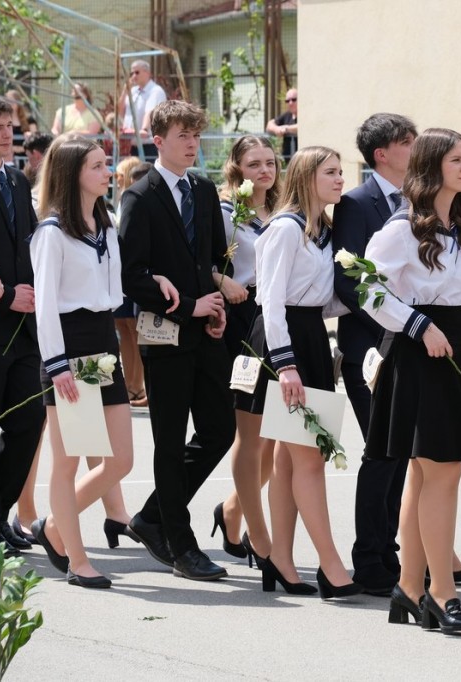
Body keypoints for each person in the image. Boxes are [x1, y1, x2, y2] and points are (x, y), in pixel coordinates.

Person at [365, 128, 461, 632]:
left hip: (453, 344)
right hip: (419, 351)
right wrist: (418, 325)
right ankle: (441, 592)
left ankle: (410, 588)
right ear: (432, 165)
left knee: (426, 474)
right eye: (457, 159)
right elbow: (366, 288)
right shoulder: (401, 228)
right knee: (442, 473)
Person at [28, 138, 176, 588]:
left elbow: (118, 286)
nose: (106, 172)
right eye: (96, 166)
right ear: (72, 173)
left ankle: (54, 527)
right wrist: (57, 365)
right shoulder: (52, 232)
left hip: (103, 342)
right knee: (68, 460)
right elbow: (45, 307)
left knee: (121, 460)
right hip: (68, 348)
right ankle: (77, 560)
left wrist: (157, 279)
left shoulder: (105, 225)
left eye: (104, 164)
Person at [119, 100, 235, 581]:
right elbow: (131, 276)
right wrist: (190, 306)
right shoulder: (139, 197)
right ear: (158, 140)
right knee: (168, 442)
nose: (192, 144)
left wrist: (217, 308)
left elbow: (211, 262)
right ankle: (181, 545)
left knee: (220, 430)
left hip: (206, 334)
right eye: (183, 135)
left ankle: (152, 516)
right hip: (164, 337)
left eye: (196, 135)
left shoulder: (204, 191)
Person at [252, 145, 361, 600]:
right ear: (306, 177)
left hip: (313, 335)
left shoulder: (323, 232)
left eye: (340, 172)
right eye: (330, 172)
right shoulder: (285, 229)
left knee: (288, 457)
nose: (340, 180)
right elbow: (271, 299)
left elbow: (322, 299)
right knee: (311, 457)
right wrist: (285, 364)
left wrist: (368, 293)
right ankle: (331, 567)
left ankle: (280, 558)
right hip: (287, 342)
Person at [332, 112, 417, 594]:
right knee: (380, 453)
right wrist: (395, 323)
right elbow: (349, 281)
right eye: (408, 142)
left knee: (401, 453)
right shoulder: (355, 203)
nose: (416, 148)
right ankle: (368, 559)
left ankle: (390, 550)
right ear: (382, 154)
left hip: (407, 342)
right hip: (369, 346)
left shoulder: (417, 199)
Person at [210, 135, 282, 567]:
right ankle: (258, 530)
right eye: (254, 163)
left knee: (276, 436)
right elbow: (200, 261)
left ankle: (232, 509)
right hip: (241, 316)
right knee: (251, 431)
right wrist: (222, 281)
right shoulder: (223, 212)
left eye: (270, 162)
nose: (264, 170)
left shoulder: (283, 209)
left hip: (277, 316)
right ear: (236, 167)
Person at [0, 92, 44, 556]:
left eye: (11, 126)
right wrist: (4, 295)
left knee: (29, 420)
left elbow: (31, 244)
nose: (9, 135)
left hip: (24, 328)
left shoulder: (19, 182)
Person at [112, 155, 147, 407]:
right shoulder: (122, 199)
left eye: (120, 174)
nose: (117, 179)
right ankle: (129, 384)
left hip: (132, 272)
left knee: (136, 331)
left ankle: (138, 385)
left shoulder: (134, 198)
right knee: (124, 328)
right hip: (119, 273)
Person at [120, 60, 167, 161]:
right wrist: (125, 91)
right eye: (131, 73)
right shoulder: (133, 91)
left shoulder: (155, 91)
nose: (133, 76)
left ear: (147, 73)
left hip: (149, 146)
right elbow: (120, 111)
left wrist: (144, 129)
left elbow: (150, 112)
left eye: (137, 72)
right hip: (131, 146)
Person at [266, 89, 298, 162]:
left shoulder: (305, 114)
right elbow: (269, 125)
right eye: (287, 101)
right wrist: (276, 129)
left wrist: (286, 129)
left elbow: (303, 127)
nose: (290, 103)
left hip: (302, 160)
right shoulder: (287, 115)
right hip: (288, 160)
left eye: (294, 100)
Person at [5, 90, 37, 160]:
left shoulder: (29, 120)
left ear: (18, 102)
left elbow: (35, 140)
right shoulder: (4, 120)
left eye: (11, 101)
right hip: (9, 159)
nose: (9, 103)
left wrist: (20, 148)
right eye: (7, 101)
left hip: (26, 159)